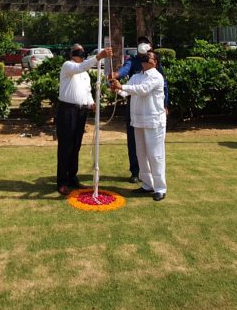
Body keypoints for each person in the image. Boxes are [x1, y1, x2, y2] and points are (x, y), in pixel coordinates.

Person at [109, 50, 167, 201]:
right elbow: (125, 92)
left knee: (155, 155)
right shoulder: (136, 76)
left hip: (153, 121)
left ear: (155, 62)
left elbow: (143, 90)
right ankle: (147, 184)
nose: (146, 58)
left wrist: (122, 87)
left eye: (150, 57)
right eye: (145, 56)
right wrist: (115, 86)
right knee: (141, 154)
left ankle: (160, 188)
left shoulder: (156, 76)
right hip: (138, 120)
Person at [56, 44, 112, 194]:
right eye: (77, 51)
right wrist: (99, 57)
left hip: (81, 111)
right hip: (67, 110)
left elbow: (87, 91)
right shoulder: (68, 66)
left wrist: (91, 102)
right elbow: (80, 68)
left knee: (76, 146)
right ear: (72, 53)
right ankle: (62, 181)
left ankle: (72, 177)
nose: (80, 54)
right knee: (66, 146)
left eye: (82, 51)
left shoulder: (85, 74)